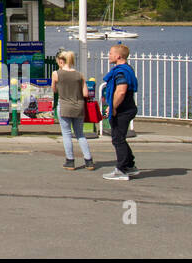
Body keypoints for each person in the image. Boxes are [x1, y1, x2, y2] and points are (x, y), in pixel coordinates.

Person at [102, 44, 140, 180]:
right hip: (128, 108)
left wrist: (113, 107)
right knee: (120, 138)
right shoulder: (127, 69)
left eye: (111, 53)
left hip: (123, 110)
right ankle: (130, 166)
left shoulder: (121, 72)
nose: (109, 55)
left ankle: (121, 169)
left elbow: (121, 91)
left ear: (118, 56)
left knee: (118, 139)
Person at [51, 50, 94, 170]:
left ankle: (70, 161)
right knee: (80, 134)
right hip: (78, 106)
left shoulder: (56, 74)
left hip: (64, 105)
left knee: (66, 134)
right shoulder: (79, 75)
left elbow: (54, 89)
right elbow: (86, 93)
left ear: (61, 61)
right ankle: (88, 160)